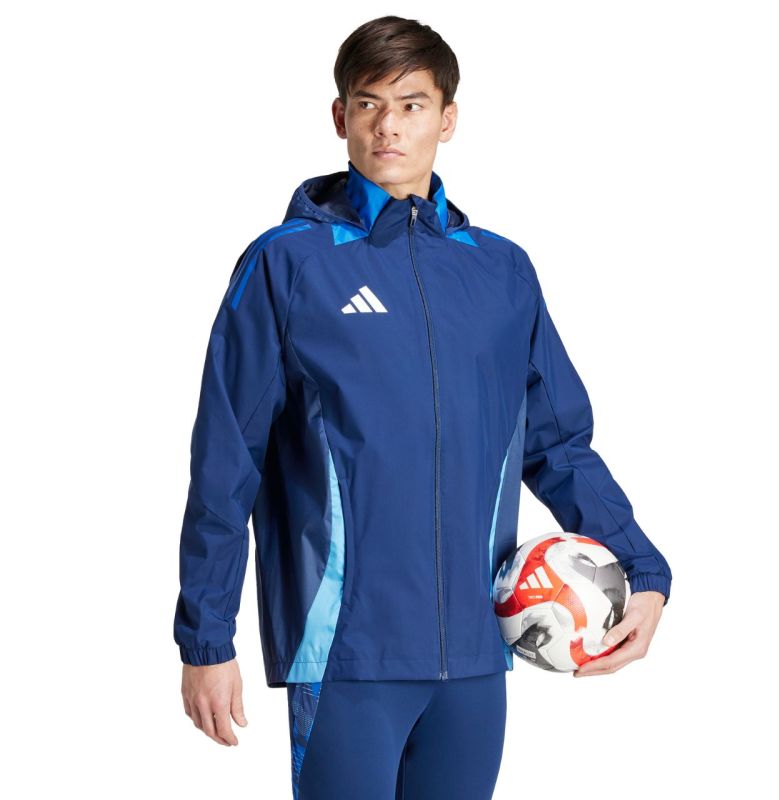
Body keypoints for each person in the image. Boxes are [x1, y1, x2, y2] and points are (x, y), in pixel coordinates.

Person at [173, 15, 672, 799]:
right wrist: (206, 638)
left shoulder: (501, 271)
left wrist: (642, 569)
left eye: (411, 105)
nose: (389, 126)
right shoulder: (287, 265)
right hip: (346, 652)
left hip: (479, 653)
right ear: (340, 116)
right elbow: (227, 458)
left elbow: (559, 445)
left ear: (448, 118)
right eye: (368, 104)